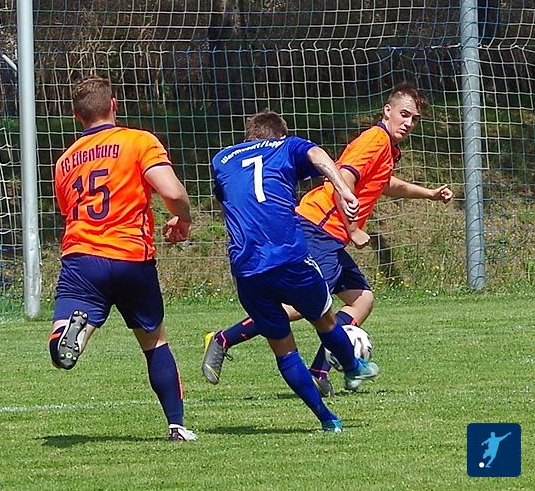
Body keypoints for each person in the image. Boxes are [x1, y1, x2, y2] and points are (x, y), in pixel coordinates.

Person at [203, 83, 454, 396]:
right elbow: (343, 179)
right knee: (303, 306)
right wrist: (353, 228)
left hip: (331, 234)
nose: (408, 122)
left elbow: (384, 183)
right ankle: (224, 338)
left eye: (414, 119)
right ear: (387, 111)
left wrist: (428, 194)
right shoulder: (375, 139)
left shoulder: (387, 149)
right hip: (319, 227)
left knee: (362, 299)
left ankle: (320, 371)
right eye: (404, 114)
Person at [208, 109, 378, 432]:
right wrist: (343, 189)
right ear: (280, 135)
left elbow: (230, 196)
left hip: (246, 268)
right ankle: (353, 366)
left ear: (248, 137)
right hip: (289, 258)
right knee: (325, 320)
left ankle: (327, 419)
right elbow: (318, 155)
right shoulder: (286, 146)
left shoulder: (222, 160)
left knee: (284, 350)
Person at [48, 75, 197, 441]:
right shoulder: (137, 141)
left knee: (62, 337)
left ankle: (70, 335)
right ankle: (177, 426)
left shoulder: (65, 161)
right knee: (154, 341)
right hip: (131, 256)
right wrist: (184, 217)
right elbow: (171, 191)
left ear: (76, 115)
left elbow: (68, 209)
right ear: (114, 105)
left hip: (82, 257)